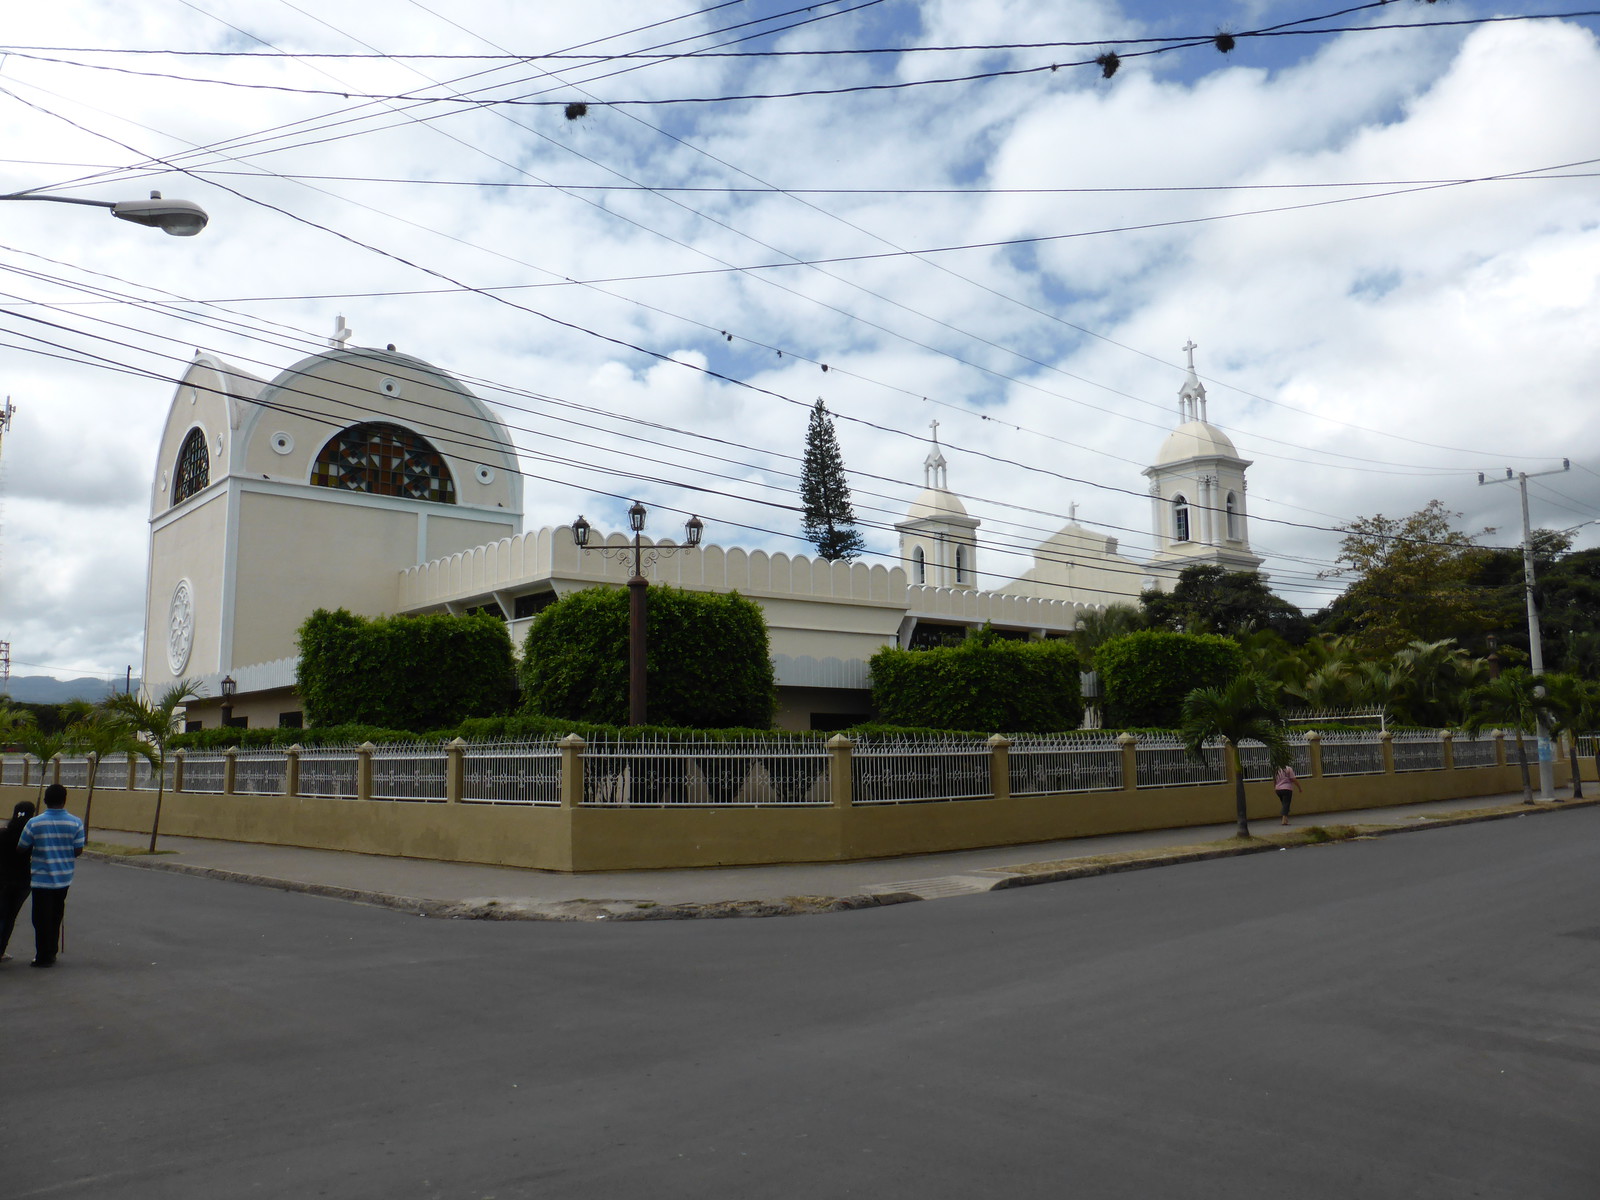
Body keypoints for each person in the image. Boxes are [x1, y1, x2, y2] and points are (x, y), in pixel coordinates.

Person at [18, 783, 85, 968]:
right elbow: (78, 850)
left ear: (46, 800)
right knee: (56, 915)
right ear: (64, 800)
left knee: (40, 918)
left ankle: (43, 956)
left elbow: (22, 846)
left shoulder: (34, 823)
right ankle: (51, 951)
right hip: (63, 878)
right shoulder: (75, 822)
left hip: (41, 879)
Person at [0, 800, 36, 961]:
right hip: (22, 881)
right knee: (10, 917)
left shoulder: (2, 834)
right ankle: (1, 949)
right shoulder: (30, 837)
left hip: (2, 880)